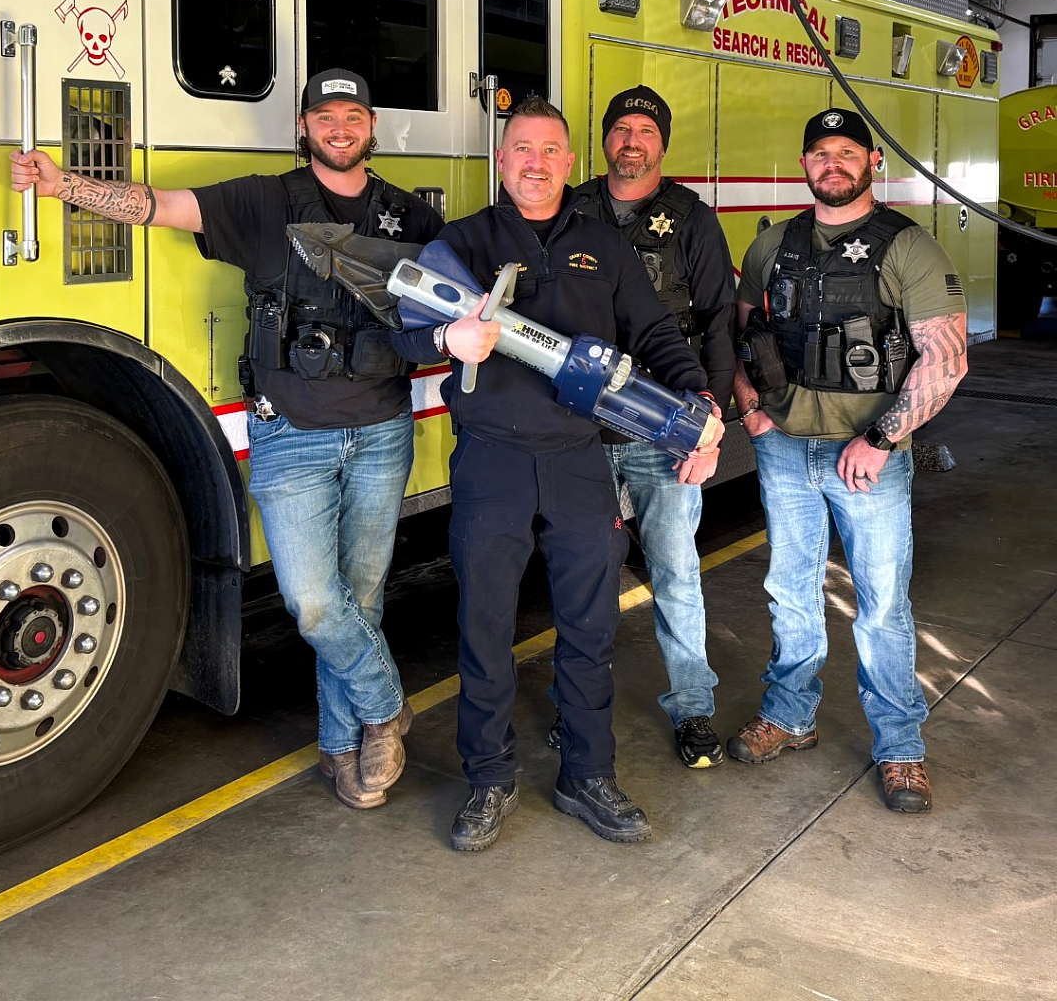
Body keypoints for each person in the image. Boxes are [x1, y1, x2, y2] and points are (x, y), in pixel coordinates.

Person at [11, 68, 443, 811]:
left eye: (354, 115)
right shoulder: (262, 201)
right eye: (325, 116)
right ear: (303, 128)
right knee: (314, 604)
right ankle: (384, 707)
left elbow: (454, 296)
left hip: (380, 432)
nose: (340, 127)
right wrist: (63, 187)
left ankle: (344, 750)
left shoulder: (408, 219)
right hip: (292, 441)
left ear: (373, 128)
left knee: (360, 601)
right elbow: (157, 206)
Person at [393, 96, 725, 851]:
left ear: (569, 164)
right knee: (483, 626)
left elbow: (655, 331)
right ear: (501, 161)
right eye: (521, 149)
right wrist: (451, 333)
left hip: (579, 459)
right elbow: (403, 340)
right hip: (492, 462)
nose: (535, 163)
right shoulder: (464, 242)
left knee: (589, 626)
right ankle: (488, 778)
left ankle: (587, 774)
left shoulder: (604, 249)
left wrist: (699, 399)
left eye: (550, 151)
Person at [729, 107, 968, 813]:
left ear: (872, 164)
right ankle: (790, 717)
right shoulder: (772, 245)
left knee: (882, 606)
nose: (832, 163)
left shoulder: (908, 247)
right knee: (790, 592)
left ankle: (900, 750)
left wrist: (883, 438)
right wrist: (750, 406)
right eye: (819, 153)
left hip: (869, 457)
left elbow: (946, 360)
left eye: (846, 152)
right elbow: (744, 336)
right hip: (783, 450)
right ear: (804, 164)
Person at [552, 84, 737, 769]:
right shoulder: (569, 209)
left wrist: (708, 423)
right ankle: (574, 707)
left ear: (663, 143)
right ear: (605, 141)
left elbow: (718, 319)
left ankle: (693, 708)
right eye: (621, 129)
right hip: (578, 427)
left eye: (645, 131)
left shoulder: (691, 218)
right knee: (581, 576)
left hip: (664, 426)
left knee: (675, 573)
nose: (632, 141)